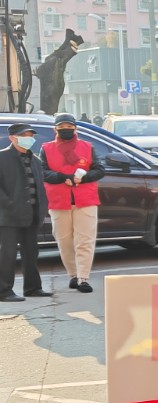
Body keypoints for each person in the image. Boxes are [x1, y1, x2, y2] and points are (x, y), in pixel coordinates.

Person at [41, 113, 103, 293]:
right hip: (59, 201)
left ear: (75, 128)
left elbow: (99, 170)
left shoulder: (87, 147)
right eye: (62, 127)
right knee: (64, 241)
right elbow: (43, 172)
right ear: (55, 129)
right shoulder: (46, 148)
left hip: (86, 200)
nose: (66, 130)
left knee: (85, 240)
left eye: (69, 127)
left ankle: (83, 278)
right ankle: (73, 275)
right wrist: (62, 177)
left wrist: (83, 178)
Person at [0, 122, 47, 301]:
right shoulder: (2, 157)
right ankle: (4, 291)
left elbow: (39, 186)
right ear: (12, 138)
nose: (29, 139)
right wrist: (9, 204)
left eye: (30, 136)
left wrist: (42, 208)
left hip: (31, 214)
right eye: (24, 136)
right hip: (9, 216)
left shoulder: (35, 160)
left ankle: (33, 288)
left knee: (31, 252)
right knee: (7, 254)